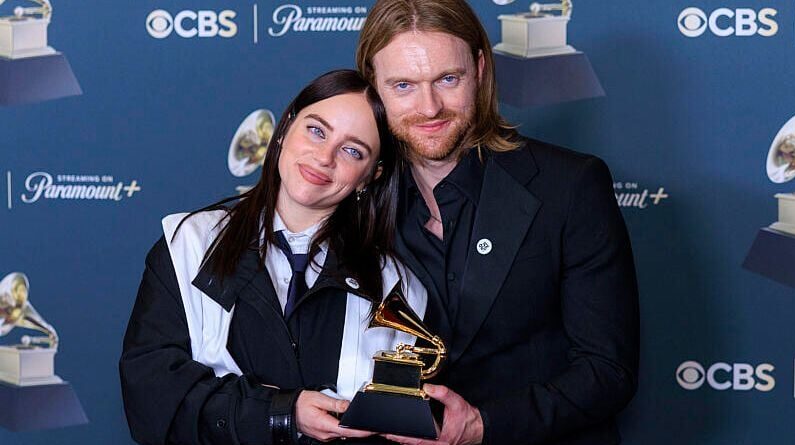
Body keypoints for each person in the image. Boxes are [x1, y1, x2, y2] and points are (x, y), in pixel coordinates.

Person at [355, 1, 640, 444]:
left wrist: (483, 425)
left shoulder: (570, 186)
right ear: (374, 88)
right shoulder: (355, 197)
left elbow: (608, 369)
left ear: (481, 69)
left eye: (448, 79)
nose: (429, 108)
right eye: (403, 85)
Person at [120, 69, 428, 445]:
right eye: (317, 130)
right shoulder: (188, 244)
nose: (324, 157)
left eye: (352, 150)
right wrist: (282, 412)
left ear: (371, 175)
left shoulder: (396, 287)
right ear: (284, 130)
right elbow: (152, 397)